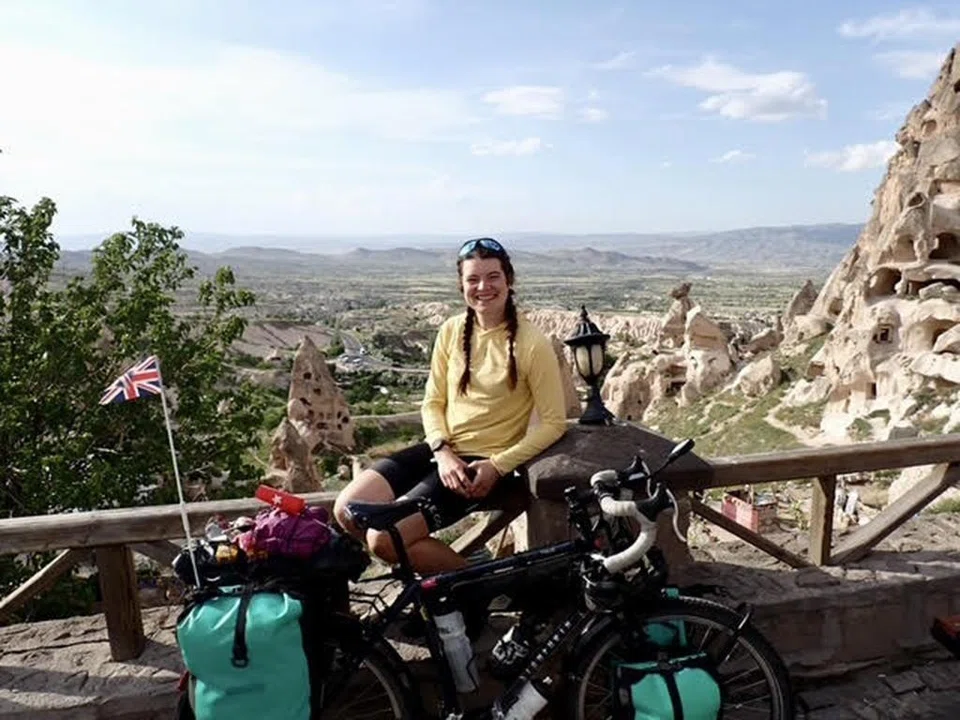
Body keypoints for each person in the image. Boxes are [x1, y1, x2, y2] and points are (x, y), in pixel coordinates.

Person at [333, 237, 567, 578]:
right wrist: (441, 450)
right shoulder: (451, 330)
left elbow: (553, 424)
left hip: (479, 464)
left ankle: (485, 589)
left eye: (493, 277)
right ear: (462, 285)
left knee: (383, 540)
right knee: (347, 511)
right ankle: (445, 583)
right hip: (441, 451)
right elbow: (433, 402)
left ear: (509, 280)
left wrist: (497, 467)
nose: (483, 287)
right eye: (473, 279)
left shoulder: (531, 344)